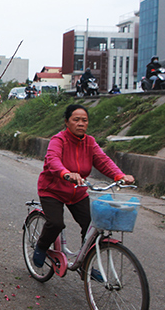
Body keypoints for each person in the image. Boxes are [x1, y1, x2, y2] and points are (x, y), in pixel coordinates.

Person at [33, 104, 135, 270]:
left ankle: (85, 262)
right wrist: (66, 173)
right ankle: (41, 247)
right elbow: (53, 160)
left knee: (92, 224)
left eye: (84, 120)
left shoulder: (90, 142)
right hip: (53, 190)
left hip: (77, 192)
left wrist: (120, 175)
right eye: (76, 120)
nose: (81, 123)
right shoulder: (58, 140)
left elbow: (103, 161)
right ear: (67, 122)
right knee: (56, 223)